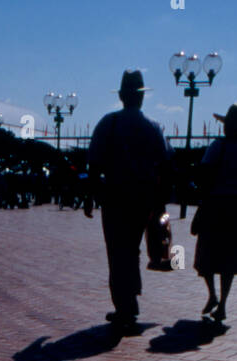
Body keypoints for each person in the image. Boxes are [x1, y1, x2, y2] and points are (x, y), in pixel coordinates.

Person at [85, 69, 171, 333]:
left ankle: (125, 305)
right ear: (142, 97)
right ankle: (129, 302)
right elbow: (166, 165)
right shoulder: (153, 127)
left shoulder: (108, 123)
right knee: (131, 249)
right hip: (143, 199)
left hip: (114, 197)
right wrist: (161, 203)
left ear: (122, 95)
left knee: (117, 251)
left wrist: (89, 197)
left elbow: (94, 164)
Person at [192, 103, 237, 323]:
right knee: (231, 258)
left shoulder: (217, 147)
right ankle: (223, 304)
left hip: (217, 203)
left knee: (206, 254)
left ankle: (212, 294)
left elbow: (204, 176)